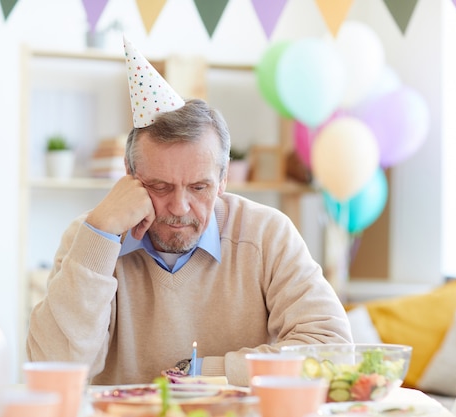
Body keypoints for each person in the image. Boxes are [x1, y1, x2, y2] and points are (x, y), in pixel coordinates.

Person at [26, 37, 352, 387]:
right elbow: (51, 373)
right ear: (129, 174)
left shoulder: (265, 234)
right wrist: (100, 234)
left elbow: (333, 352)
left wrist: (199, 373)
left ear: (224, 178)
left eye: (199, 187)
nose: (180, 208)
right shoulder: (90, 236)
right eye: (160, 186)